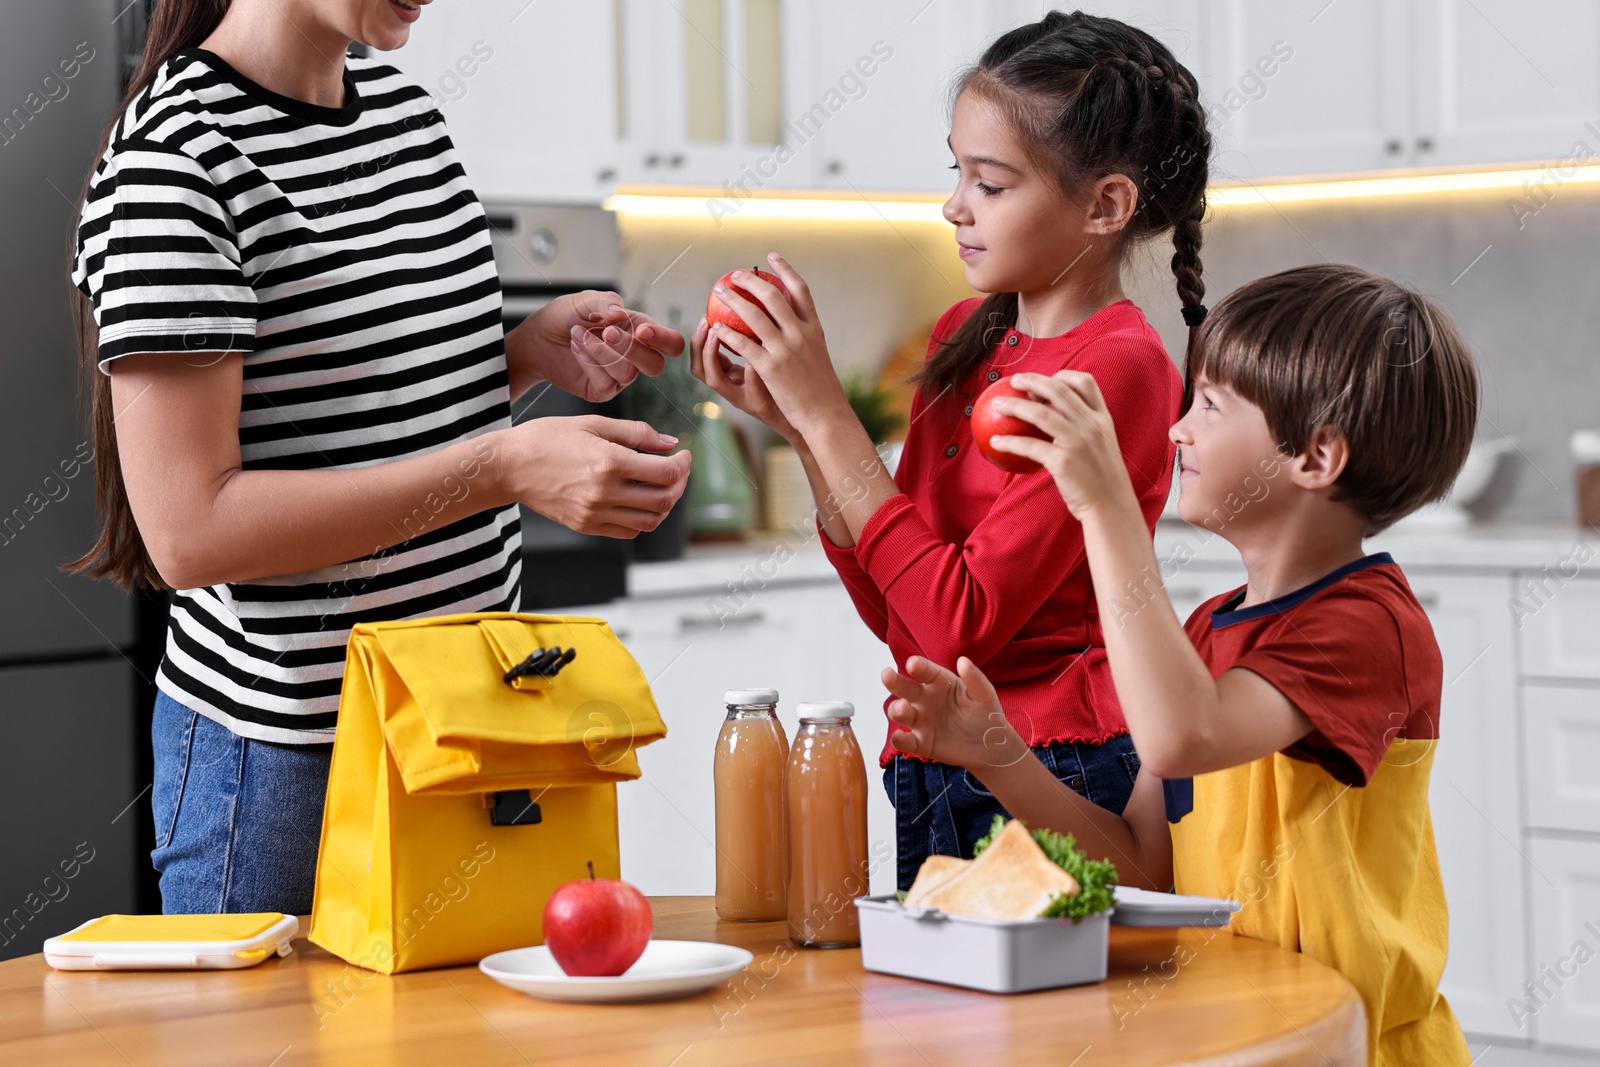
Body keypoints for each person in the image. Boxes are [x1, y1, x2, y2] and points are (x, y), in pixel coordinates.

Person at [68, 0, 690, 915]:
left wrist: (519, 357)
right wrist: (503, 466)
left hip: (471, 725)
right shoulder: (178, 160)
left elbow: (359, 408)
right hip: (286, 769)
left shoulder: (408, 120)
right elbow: (191, 531)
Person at [884, 264, 1478, 1065]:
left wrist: (1105, 503)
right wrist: (997, 752)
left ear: (1316, 455)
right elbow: (1140, 866)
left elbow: (1181, 737)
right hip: (1237, 1036)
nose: (1176, 430)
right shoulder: (1206, 630)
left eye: (1211, 405)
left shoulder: (1369, 626)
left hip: (1351, 1045)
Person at [689, 11, 1209, 890]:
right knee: (941, 1025)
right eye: (956, 171)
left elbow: (955, 621)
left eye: (992, 184)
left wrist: (829, 418)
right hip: (933, 763)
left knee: (1051, 1027)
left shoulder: (1116, 368)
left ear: (1105, 205)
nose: (953, 205)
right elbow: (902, 615)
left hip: (1052, 766)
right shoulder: (965, 334)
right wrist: (800, 428)